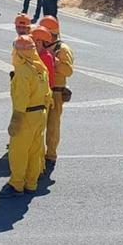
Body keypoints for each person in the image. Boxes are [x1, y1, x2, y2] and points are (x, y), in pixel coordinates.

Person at [0, 35, 52, 198]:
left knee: (19, 151)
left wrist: (16, 120)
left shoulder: (22, 72)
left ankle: (16, 185)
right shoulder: (40, 67)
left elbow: (22, 98)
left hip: (26, 115)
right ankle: (31, 183)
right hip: (40, 114)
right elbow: (46, 92)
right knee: (35, 151)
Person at [37, 17, 74, 169]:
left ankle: (50, 155)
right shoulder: (39, 46)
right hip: (39, 90)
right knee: (38, 124)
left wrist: (53, 60)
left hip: (56, 92)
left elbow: (68, 71)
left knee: (52, 126)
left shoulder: (62, 49)